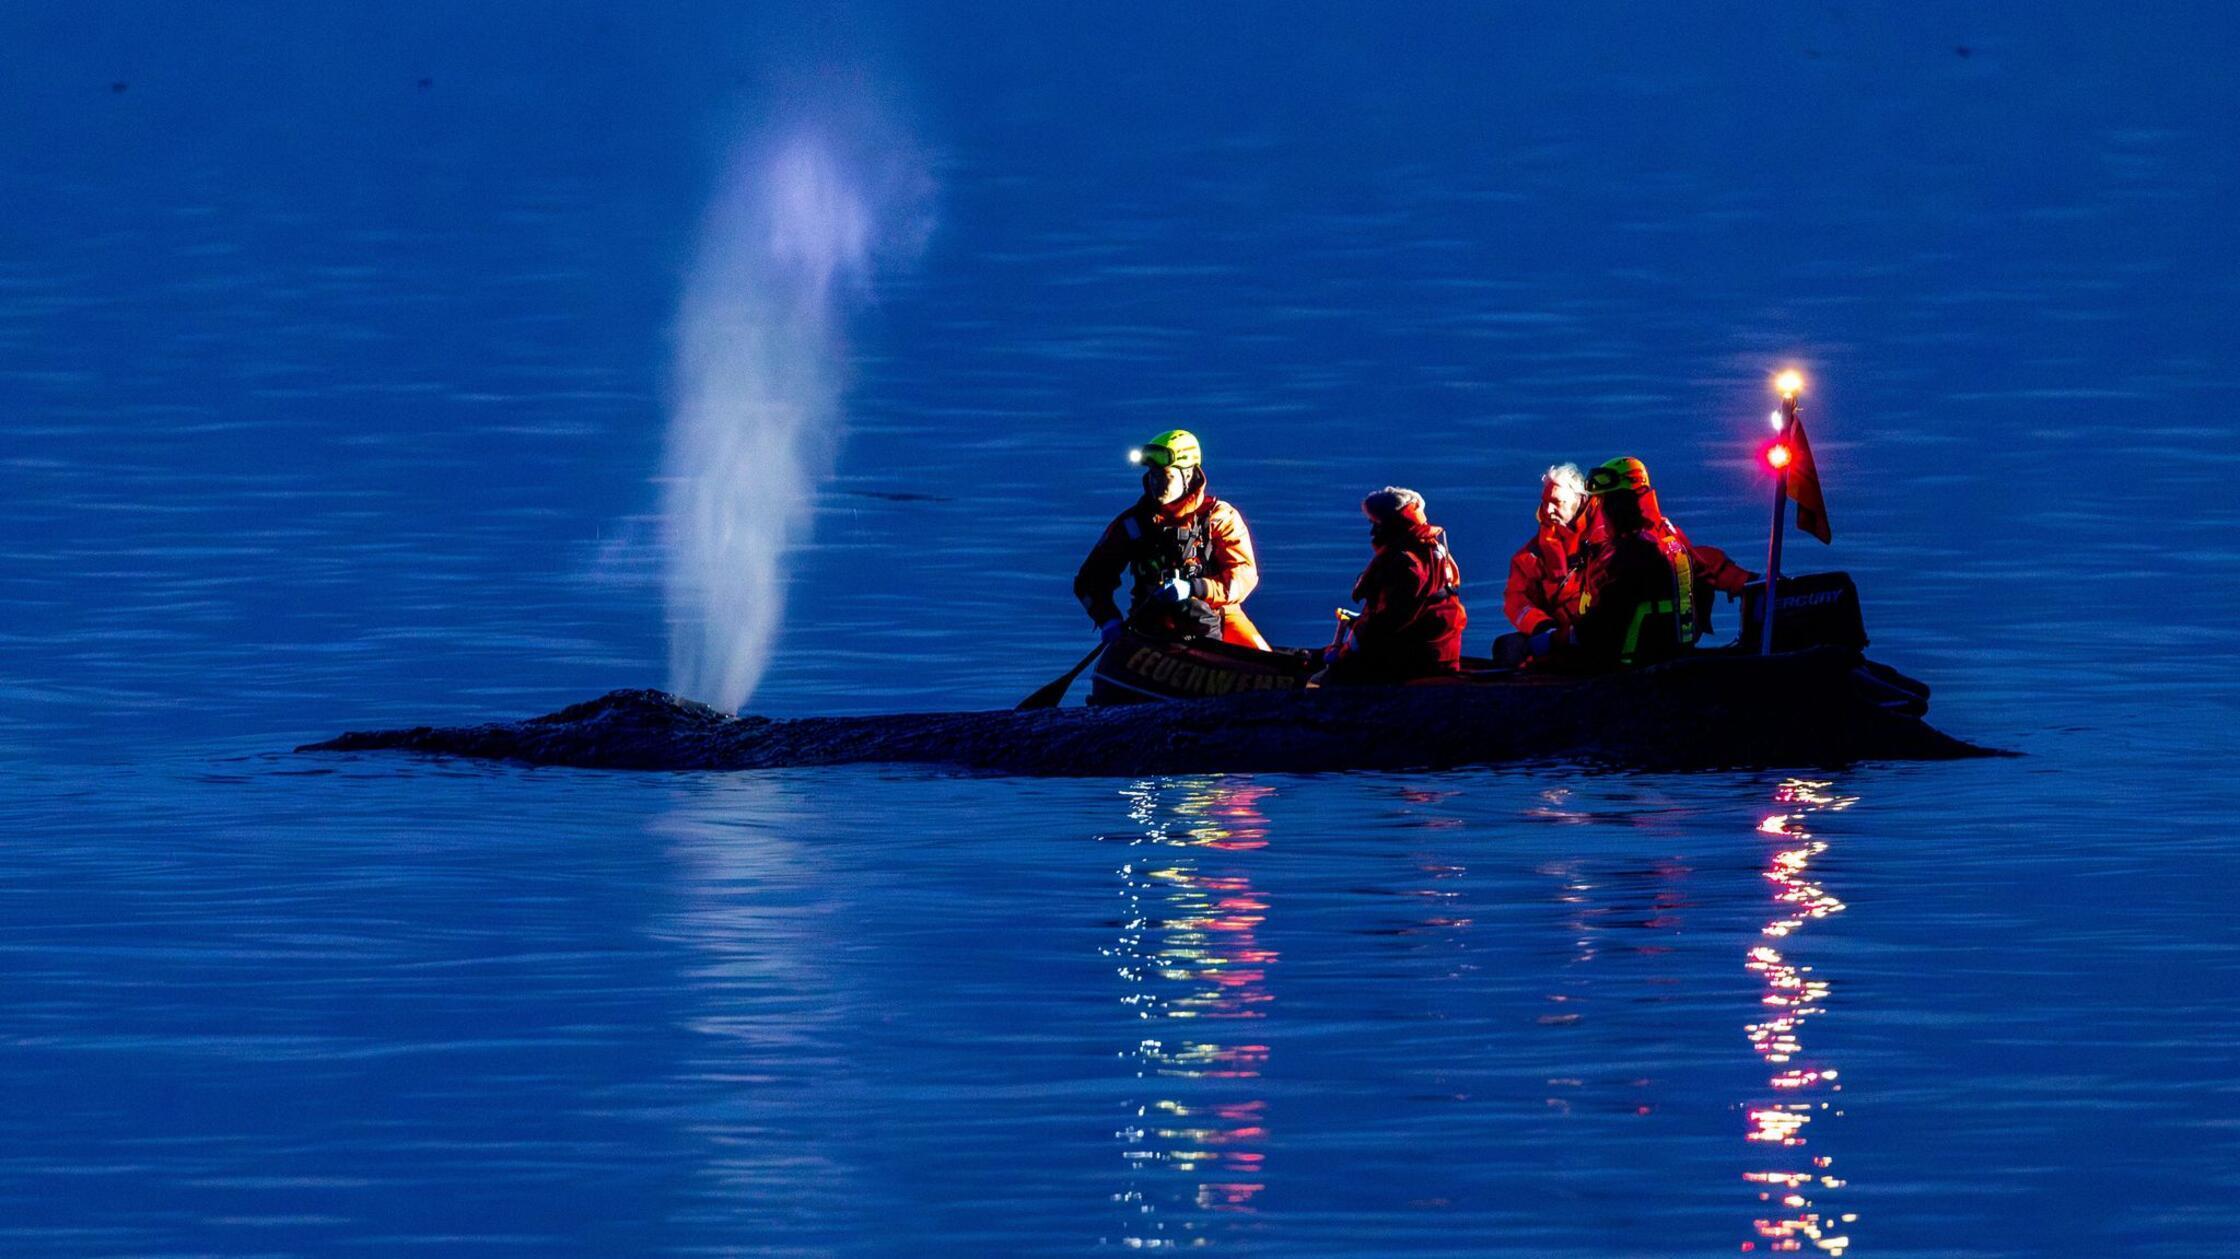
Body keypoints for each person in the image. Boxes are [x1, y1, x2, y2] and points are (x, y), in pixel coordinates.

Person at [1074, 429, 1267, 649]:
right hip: (1150, 622)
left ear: (1188, 476)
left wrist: (1195, 588)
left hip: (1218, 615)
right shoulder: (1132, 525)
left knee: (1264, 658)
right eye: (1152, 475)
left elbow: (1243, 577)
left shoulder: (1219, 518)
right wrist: (1108, 620)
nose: (1156, 483)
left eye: (1165, 476)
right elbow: (1089, 581)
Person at [1543, 456, 1742, 668]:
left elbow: (1599, 630)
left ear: (1619, 506)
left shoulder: (1631, 554)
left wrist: (1550, 640)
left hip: (1633, 666)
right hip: (1674, 656)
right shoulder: (1670, 540)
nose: (1601, 512)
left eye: (1605, 503)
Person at [1323, 487, 1467, 684]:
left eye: (1376, 524)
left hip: (1414, 661)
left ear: (1392, 524)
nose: (1372, 532)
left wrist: (1343, 653)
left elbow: (1387, 625)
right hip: (1441, 654)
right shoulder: (1436, 551)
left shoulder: (1405, 563)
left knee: (1330, 678)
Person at [1492, 463, 1588, 665]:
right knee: (1507, 647)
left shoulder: (1603, 538)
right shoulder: (1533, 554)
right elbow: (1515, 600)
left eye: (1556, 502)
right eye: (1545, 502)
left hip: (1596, 631)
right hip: (1556, 635)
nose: (1548, 509)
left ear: (1580, 500)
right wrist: (1542, 627)